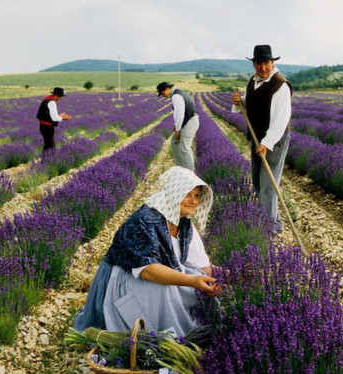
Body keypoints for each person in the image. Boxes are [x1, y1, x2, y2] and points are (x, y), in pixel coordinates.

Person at [73, 166, 218, 336]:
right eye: (187, 194)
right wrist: (191, 281)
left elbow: (200, 266)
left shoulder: (185, 225)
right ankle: (159, 337)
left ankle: (192, 335)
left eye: (197, 195)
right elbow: (147, 270)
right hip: (125, 277)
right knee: (164, 290)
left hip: (162, 271)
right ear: (174, 192)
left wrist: (232, 275)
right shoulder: (145, 219)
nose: (193, 201)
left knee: (198, 287)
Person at [231, 44, 292, 235]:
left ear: (272, 62)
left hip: (273, 141)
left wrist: (267, 143)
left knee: (267, 185)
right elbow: (253, 103)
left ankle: (269, 228)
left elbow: (280, 120)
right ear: (254, 64)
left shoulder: (280, 86)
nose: (262, 67)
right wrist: (239, 101)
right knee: (258, 181)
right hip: (257, 139)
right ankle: (271, 220)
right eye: (258, 63)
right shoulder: (254, 81)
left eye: (266, 63)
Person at [157, 82, 199, 171]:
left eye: (162, 93)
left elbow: (179, 114)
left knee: (184, 147)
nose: (162, 96)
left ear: (166, 89)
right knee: (174, 142)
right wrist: (176, 127)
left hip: (190, 121)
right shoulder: (178, 93)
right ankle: (181, 168)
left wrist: (178, 130)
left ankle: (190, 172)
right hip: (187, 121)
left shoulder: (176, 96)